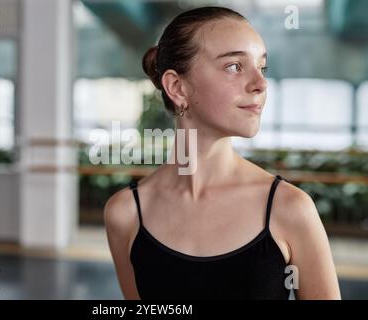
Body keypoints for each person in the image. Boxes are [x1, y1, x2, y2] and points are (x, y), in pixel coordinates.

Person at [104, 6, 341, 300]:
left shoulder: (290, 209)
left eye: (262, 67)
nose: (261, 84)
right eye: (234, 67)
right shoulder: (125, 213)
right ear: (177, 87)